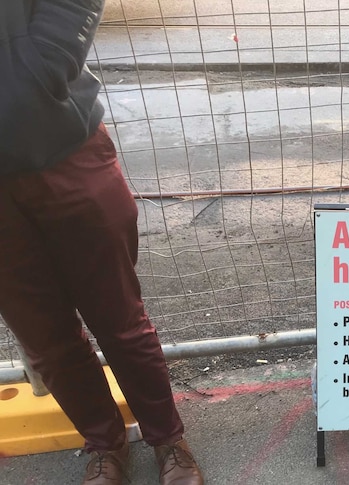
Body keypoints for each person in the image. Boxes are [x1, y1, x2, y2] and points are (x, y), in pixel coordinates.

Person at [0, 2, 204, 484]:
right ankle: (104, 445)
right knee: (46, 340)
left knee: (120, 320)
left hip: (66, 148)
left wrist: (34, 73)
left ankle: (167, 439)